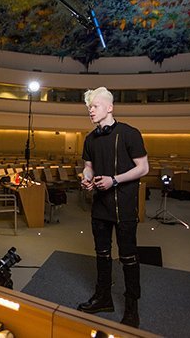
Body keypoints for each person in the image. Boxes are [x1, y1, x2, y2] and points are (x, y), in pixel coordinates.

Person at [77, 87, 149, 328]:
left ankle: (132, 307)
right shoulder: (89, 139)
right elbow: (88, 166)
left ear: (109, 108)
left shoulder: (129, 133)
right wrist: (87, 177)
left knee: (128, 257)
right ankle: (103, 297)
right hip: (100, 206)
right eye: (89, 107)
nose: (90, 110)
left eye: (94, 106)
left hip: (124, 206)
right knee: (102, 254)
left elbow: (143, 168)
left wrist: (114, 180)